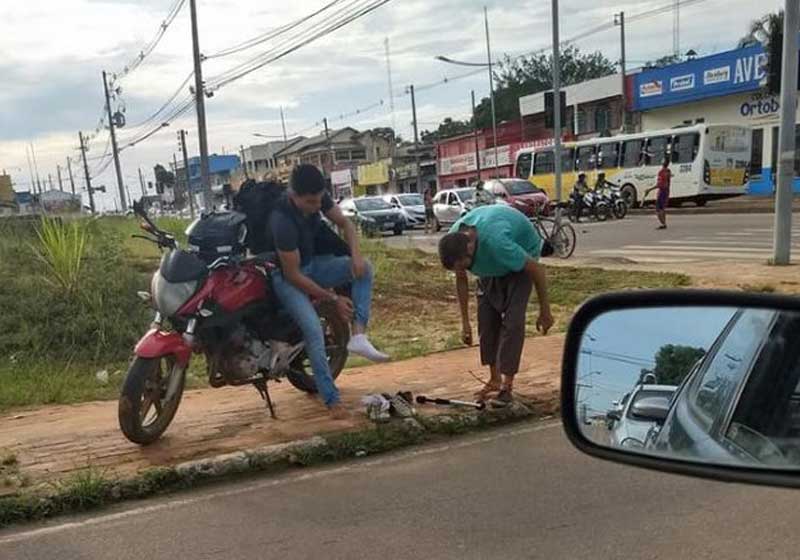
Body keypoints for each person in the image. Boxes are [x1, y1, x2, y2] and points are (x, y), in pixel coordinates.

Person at [269, 164, 390, 419]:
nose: (316, 207)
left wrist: (355, 256)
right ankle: (331, 398)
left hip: (313, 265)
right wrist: (333, 298)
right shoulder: (281, 221)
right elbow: (293, 275)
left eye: (318, 200)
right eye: (310, 202)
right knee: (313, 330)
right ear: (294, 195)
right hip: (289, 278)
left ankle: (358, 336)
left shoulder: (318, 197)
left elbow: (346, 224)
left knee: (365, 268)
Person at [438, 204, 554, 407]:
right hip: (491, 268)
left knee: (513, 323)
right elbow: (461, 279)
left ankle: (507, 387)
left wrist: (545, 311)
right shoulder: (454, 240)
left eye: (465, 265)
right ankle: (494, 379)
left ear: (471, 248)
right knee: (487, 321)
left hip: (521, 261)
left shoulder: (497, 243)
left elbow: (537, 269)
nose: (464, 270)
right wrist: (465, 322)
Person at [645, 159, 672, 230]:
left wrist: (649, 189)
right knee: (663, 208)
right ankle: (664, 223)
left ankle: (662, 223)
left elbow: (659, 184)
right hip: (666, 191)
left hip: (662, 191)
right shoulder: (668, 171)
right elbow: (668, 183)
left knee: (658, 209)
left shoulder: (661, 172)